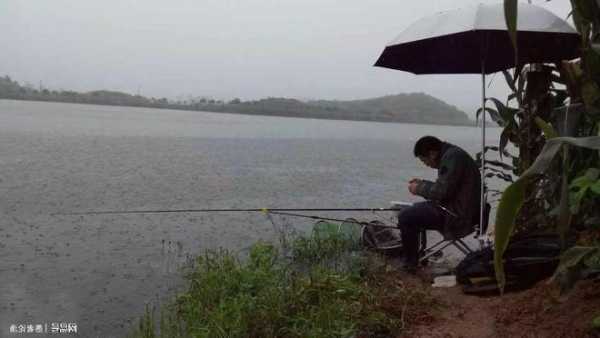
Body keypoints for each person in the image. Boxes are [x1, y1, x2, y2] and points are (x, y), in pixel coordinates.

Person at [398, 135, 481, 273]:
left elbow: (441, 193)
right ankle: (418, 257)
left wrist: (418, 188)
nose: (426, 164)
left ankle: (410, 264)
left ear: (432, 153)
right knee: (415, 210)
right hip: (459, 208)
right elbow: (447, 188)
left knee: (406, 216)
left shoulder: (452, 157)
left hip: (456, 215)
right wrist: (423, 183)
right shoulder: (452, 154)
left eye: (424, 160)